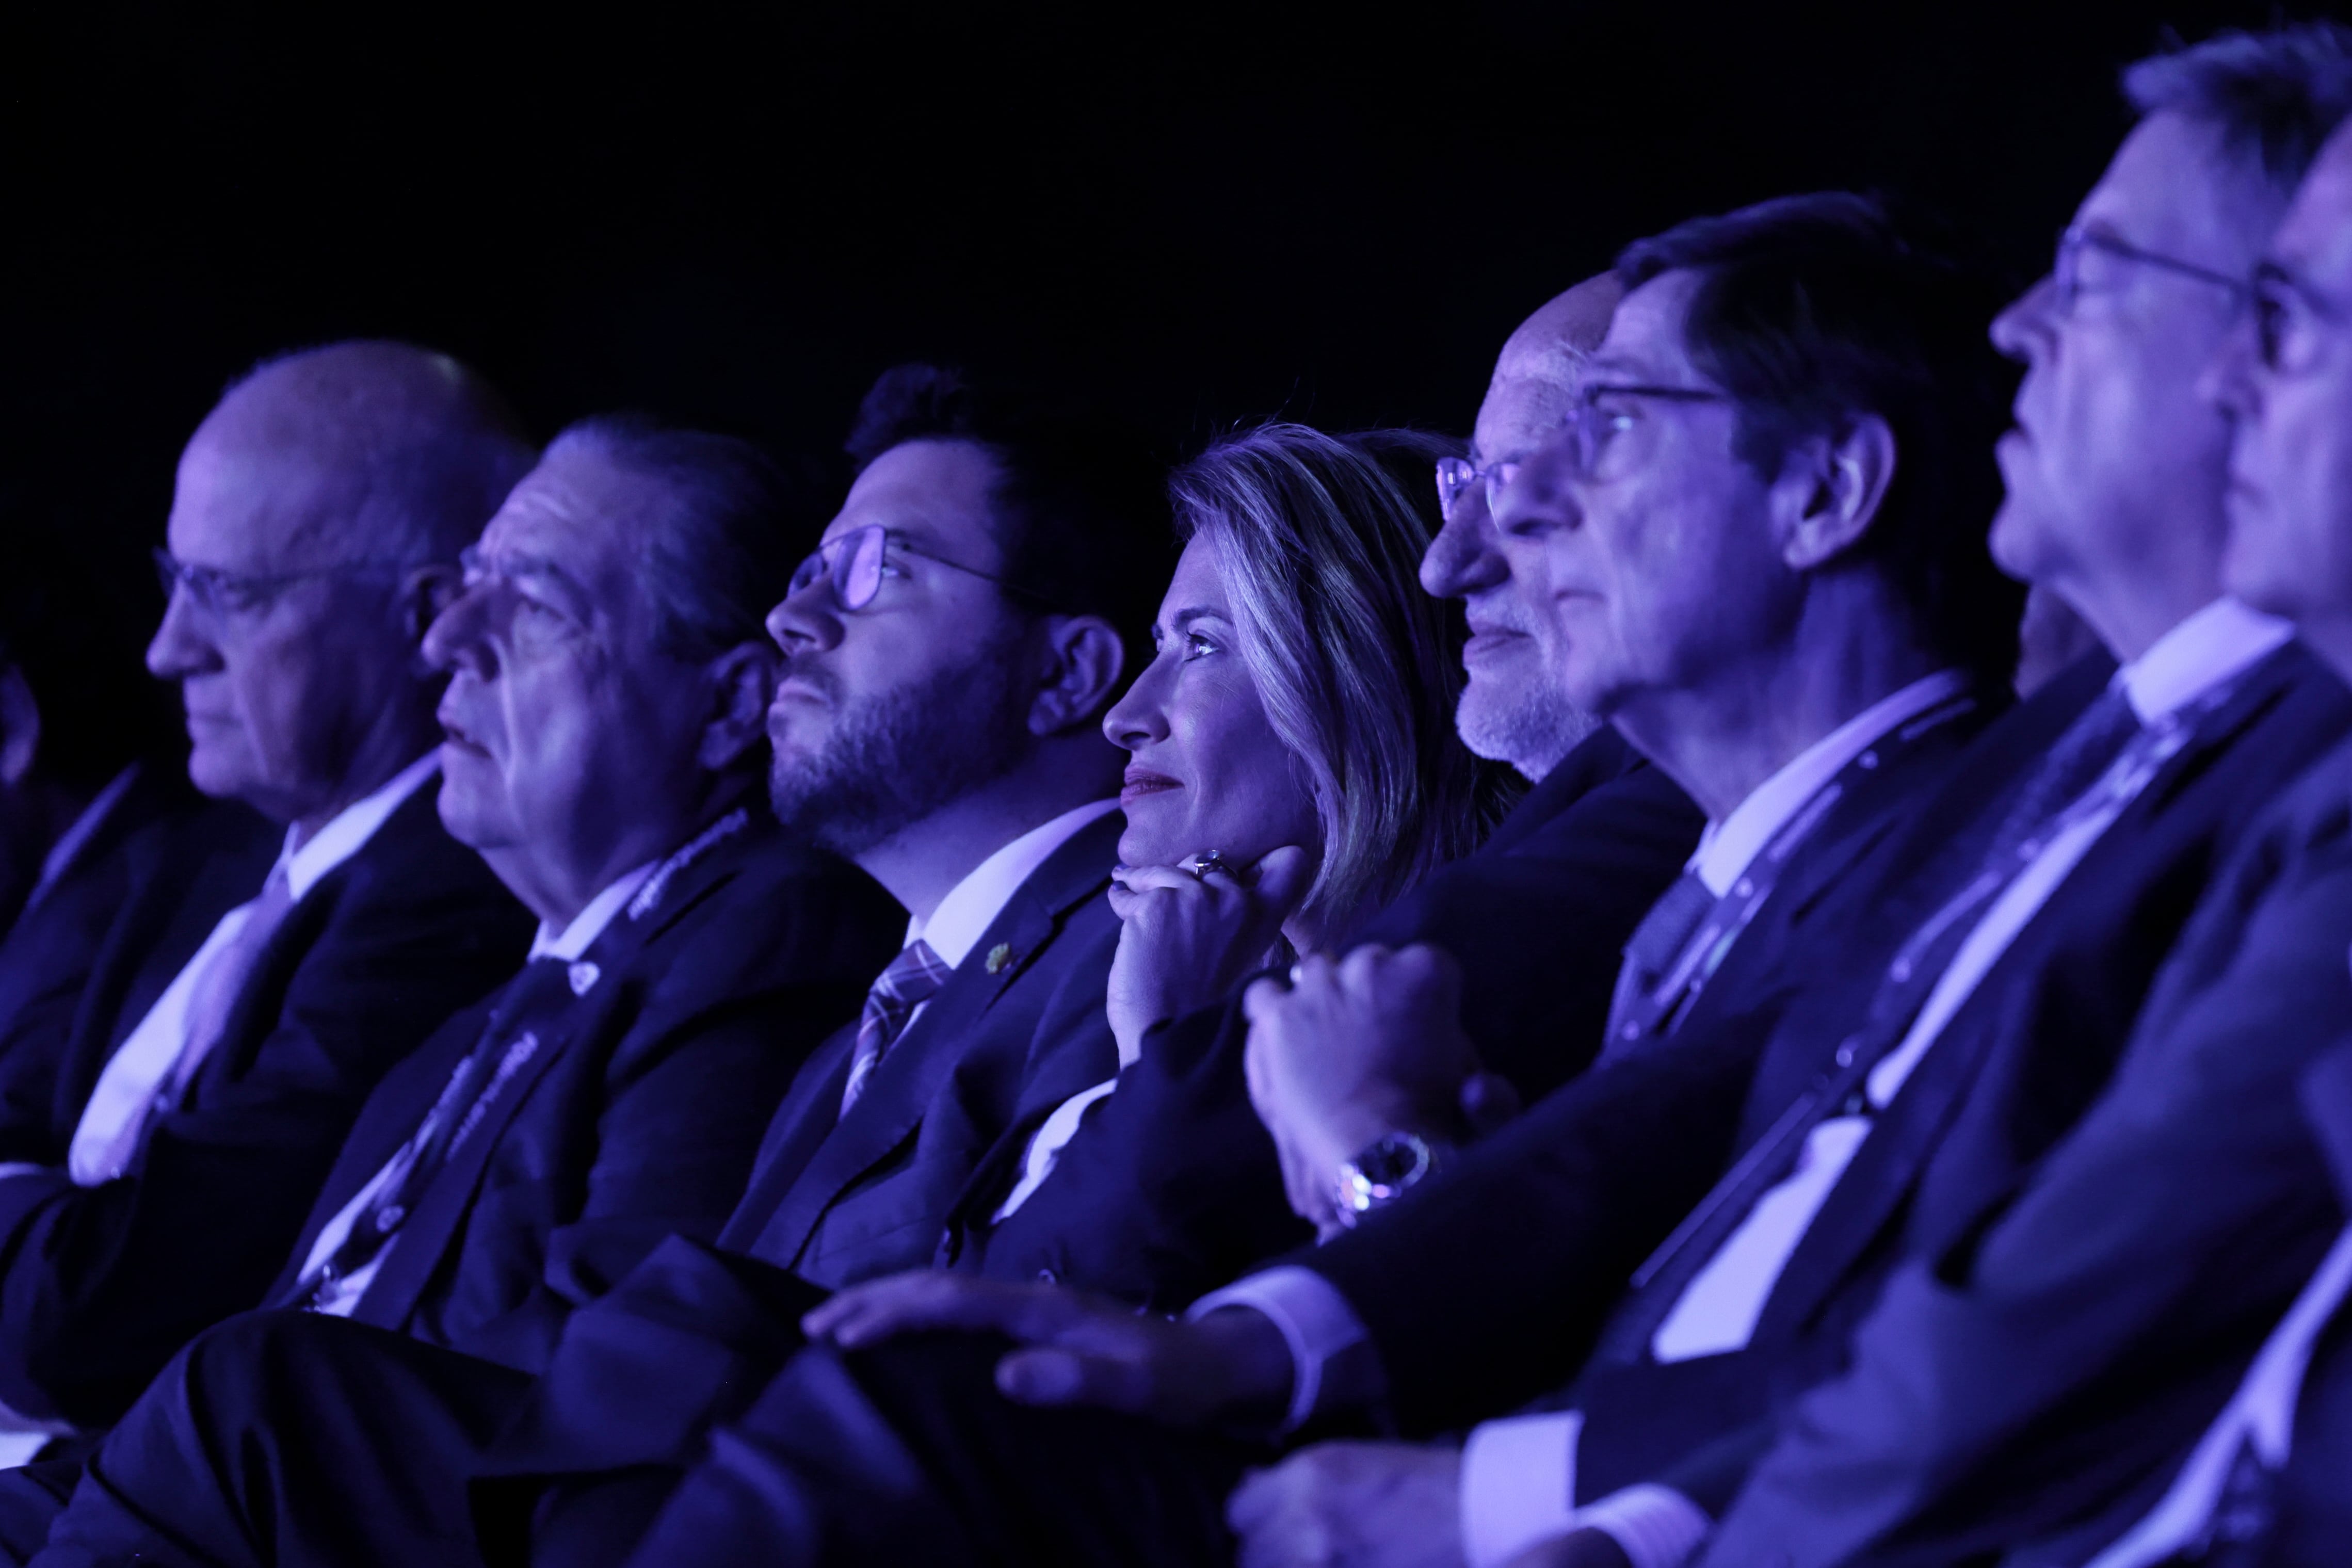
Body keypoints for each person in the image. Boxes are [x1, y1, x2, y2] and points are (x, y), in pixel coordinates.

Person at [10, 363, 1175, 1568]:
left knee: (248, 1392)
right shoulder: (861, 1013)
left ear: (1068, 673)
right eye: (812, 570)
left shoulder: (1077, 950)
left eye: (879, 569)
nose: (795, 622)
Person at [1703, 36, 2352, 1566]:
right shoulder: (2074, 742)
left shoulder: (2291, 784)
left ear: (1823, 493)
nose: (2230, 379)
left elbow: (2062, 1300)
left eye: (2288, 314)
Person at [0, 341, 539, 1466]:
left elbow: (91, 1316)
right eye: (171, 580)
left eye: (227, 595)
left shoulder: (453, 897)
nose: (166, 649)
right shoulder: (201, 854)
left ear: (428, 611)